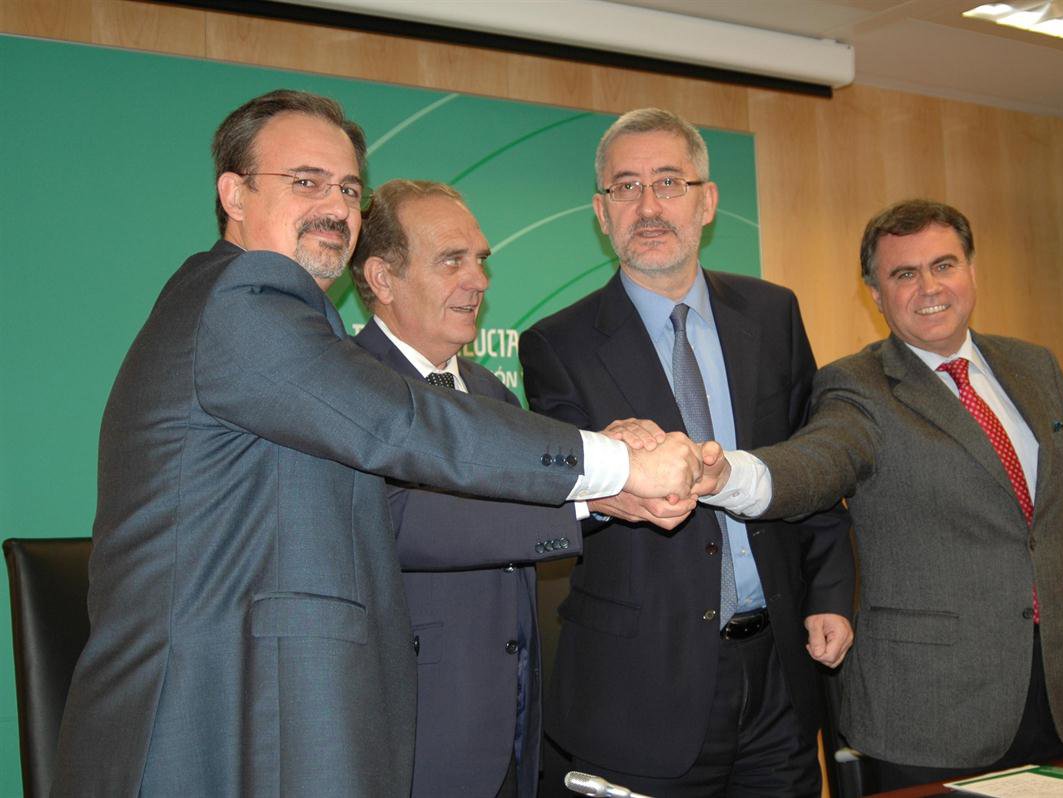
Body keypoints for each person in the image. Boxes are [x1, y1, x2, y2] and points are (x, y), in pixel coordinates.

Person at [52, 90, 711, 797]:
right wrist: (618, 463)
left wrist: (605, 487)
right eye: (306, 181)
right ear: (234, 194)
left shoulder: (287, 323)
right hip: (200, 723)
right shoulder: (240, 297)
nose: (335, 207)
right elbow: (401, 424)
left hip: (267, 716)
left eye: (347, 189)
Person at [707, 198, 1063, 791]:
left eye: (944, 265)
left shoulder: (1036, 368)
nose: (929, 287)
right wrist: (731, 475)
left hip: (1062, 698)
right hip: (930, 713)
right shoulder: (857, 385)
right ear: (875, 295)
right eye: (904, 274)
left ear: (971, 271)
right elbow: (821, 460)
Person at [519, 108, 855, 796]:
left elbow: (810, 462)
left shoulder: (773, 313)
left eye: (669, 182)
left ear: (707, 201)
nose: (648, 206)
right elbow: (572, 499)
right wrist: (617, 468)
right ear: (601, 212)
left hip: (780, 676)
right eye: (626, 187)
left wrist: (830, 594)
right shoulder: (558, 343)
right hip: (641, 689)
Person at [349, 179, 637, 798]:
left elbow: (528, 500)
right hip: (414, 740)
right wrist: (598, 492)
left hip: (512, 729)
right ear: (382, 277)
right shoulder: (347, 385)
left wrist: (614, 457)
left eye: (480, 260)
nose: (478, 280)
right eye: (451, 260)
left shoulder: (489, 391)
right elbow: (398, 523)